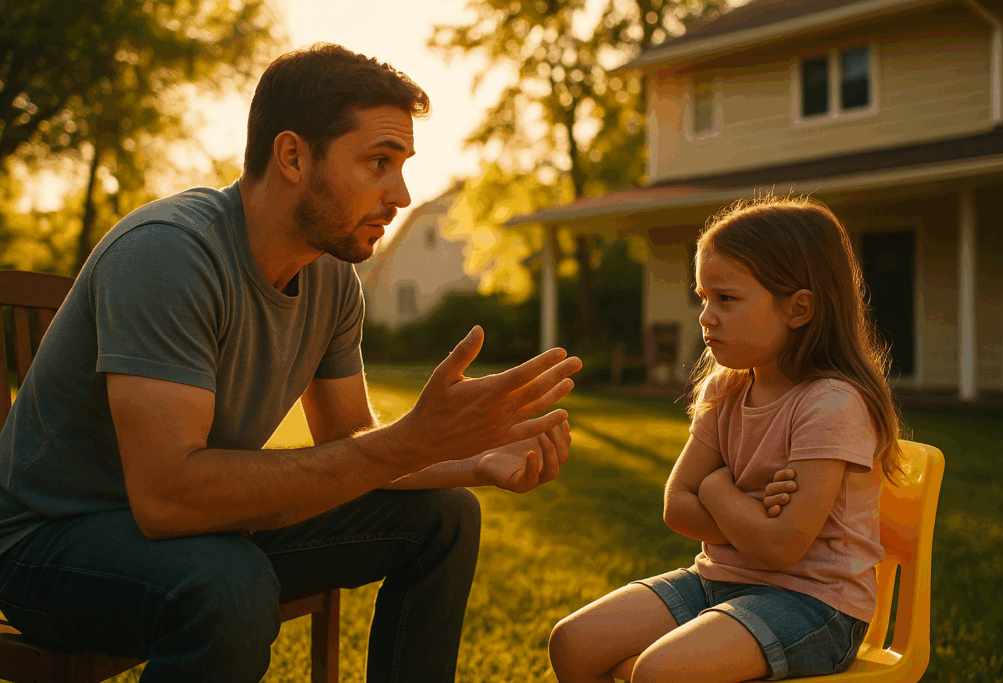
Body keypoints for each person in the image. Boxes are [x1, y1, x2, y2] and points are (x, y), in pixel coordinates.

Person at [0, 43, 582, 683]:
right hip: (49, 545)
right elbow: (166, 498)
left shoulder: (331, 278)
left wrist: (471, 459)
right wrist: (409, 442)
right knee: (230, 585)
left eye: (403, 165)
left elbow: (346, 438)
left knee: (444, 514)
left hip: (201, 528)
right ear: (294, 156)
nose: (402, 193)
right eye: (379, 162)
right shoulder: (169, 255)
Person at [547, 195, 904, 683]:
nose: (705, 316)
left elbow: (780, 549)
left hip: (815, 605)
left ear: (799, 309)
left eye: (727, 298)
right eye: (703, 297)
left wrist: (716, 489)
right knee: (574, 643)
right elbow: (676, 506)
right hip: (719, 580)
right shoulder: (727, 387)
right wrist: (750, 515)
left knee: (660, 672)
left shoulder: (831, 404)